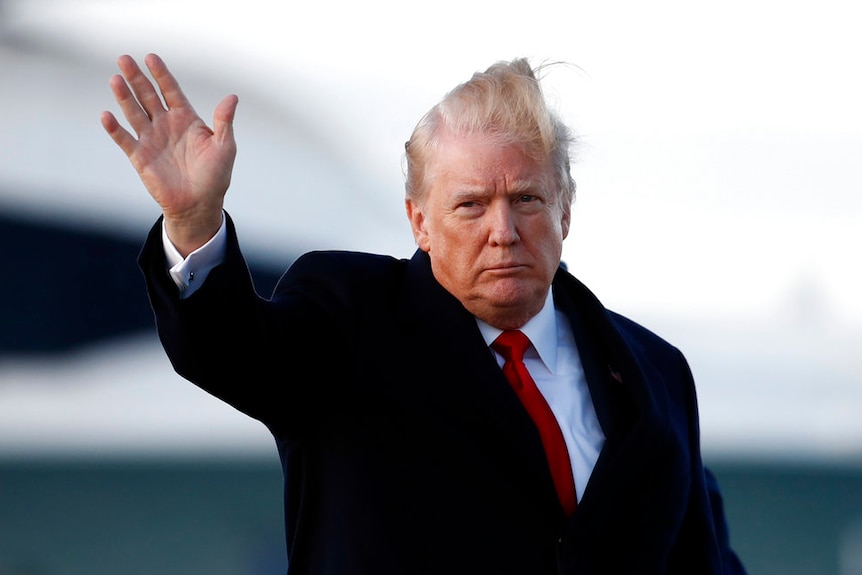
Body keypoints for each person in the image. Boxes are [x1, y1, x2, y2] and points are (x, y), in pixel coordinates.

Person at [101, 53, 747, 574]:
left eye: (527, 197)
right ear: (420, 222)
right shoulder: (351, 318)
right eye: (471, 205)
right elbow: (233, 350)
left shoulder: (656, 374)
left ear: (565, 210)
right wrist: (192, 222)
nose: (503, 230)